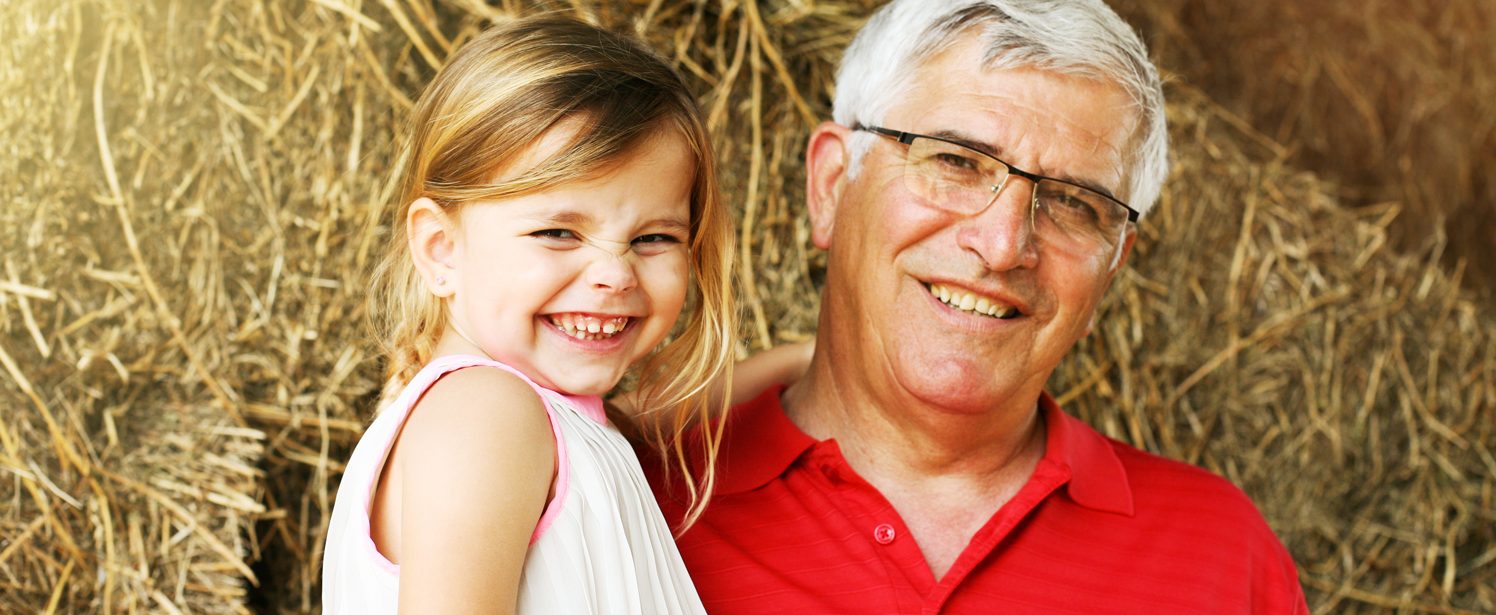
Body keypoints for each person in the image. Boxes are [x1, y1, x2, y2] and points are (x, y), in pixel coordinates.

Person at [643, 0, 1310, 612]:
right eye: (958, 162)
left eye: (1075, 203)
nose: (1001, 244)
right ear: (830, 187)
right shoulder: (643, 505)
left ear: (1115, 262)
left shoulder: (1222, 555)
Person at [321, 16, 797, 614]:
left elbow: (649, 415)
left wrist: (800, 361)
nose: (615, 274)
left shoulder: (527, 412)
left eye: (654, 239)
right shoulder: (485, 417)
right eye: (557, 232)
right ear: (442, 250)